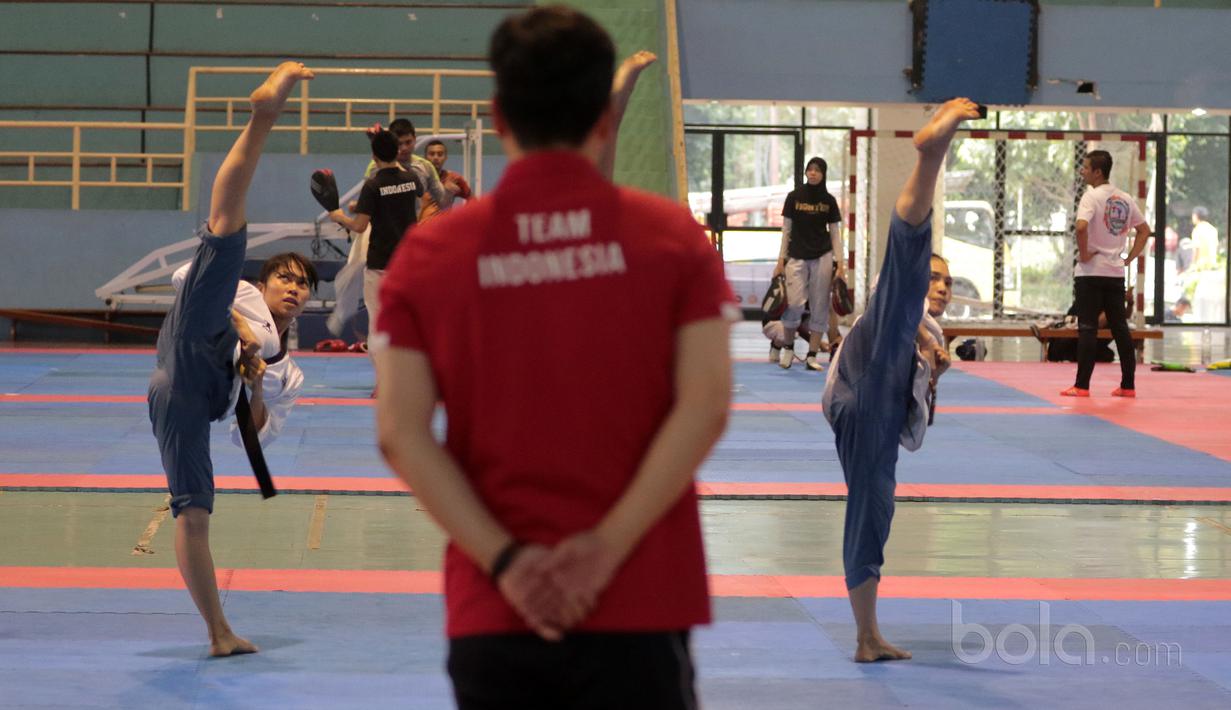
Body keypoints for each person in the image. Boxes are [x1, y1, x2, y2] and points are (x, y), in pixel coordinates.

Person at [372, 8, 733, 708]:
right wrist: (604, 550)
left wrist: (508, 564)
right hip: (639, 595)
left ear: (498, 116)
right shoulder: (672, 239)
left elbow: (400, 433)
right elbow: (705, 406)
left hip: (498, 604)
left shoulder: (431, 254)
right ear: (604, 116)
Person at [147, 62, 317, 657]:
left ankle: (219, 633)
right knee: (225, 230)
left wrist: (259, 382)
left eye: (302, 284)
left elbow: (256, 438)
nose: (292, 288)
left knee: (194, 513)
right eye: (284, 278)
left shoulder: (291, 372)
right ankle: (264, 115)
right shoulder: (243, 292)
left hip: (195, 404)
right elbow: (182, 278)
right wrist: (241, 326)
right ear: (266, 284)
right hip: (192, 344)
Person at [821, 98, 979, 662]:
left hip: (874, 407)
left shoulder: (930, 328)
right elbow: (897, 303)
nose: (941, 287)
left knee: (875, 507)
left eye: (947, 282)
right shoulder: (903, 312)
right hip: (866, 386)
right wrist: (926, 347)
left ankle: (868, 635)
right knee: (904, 268)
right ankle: (931, 156)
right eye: (936, 278)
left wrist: (932, 363)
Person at [1060, 150, 1150, 398]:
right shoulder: (1125, 198)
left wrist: (1084, 253)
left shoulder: (1091, 196)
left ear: (1098, 172)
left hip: (1090, 273)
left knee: (1088, 328)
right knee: (1120, 328)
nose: (1082, 171)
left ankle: (1082, 386)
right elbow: (1144, 231)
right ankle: (1128, 386)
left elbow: (1081, 227)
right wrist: (1129, 258)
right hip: (1115, 273)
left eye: (1086, 167)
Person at [327, 130, 422, 363]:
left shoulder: (373, 185)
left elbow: (359, 226)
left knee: (379, 323)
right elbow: (419, 196)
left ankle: (383, 376)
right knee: (407, 320)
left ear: (373, 156)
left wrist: (339, 216)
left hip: (381, 265)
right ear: (398, 151)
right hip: (408, 264)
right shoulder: (412, 178)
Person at [773, 156, 845, 371]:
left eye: (817, 170)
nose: (813, 173)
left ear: (823, 174)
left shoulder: (829, 201)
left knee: (820, 305)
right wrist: (780, 260)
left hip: (823, 256)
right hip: (796, 255)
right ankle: (788, 347)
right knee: (794, 304)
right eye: (810, 169)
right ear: (805, 172)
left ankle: (812, 355)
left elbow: (835, 234)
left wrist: (841, 264)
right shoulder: (794, 197)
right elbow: (786, 231)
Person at [418, 139, 473, 224]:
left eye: (440, 154)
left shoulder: (454, 178)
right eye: (432, 154)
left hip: (443, 229)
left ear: (445, 157)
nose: (436, 157)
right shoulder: (417, 178)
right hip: (422, 228)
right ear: (425, 157)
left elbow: (473, 200)